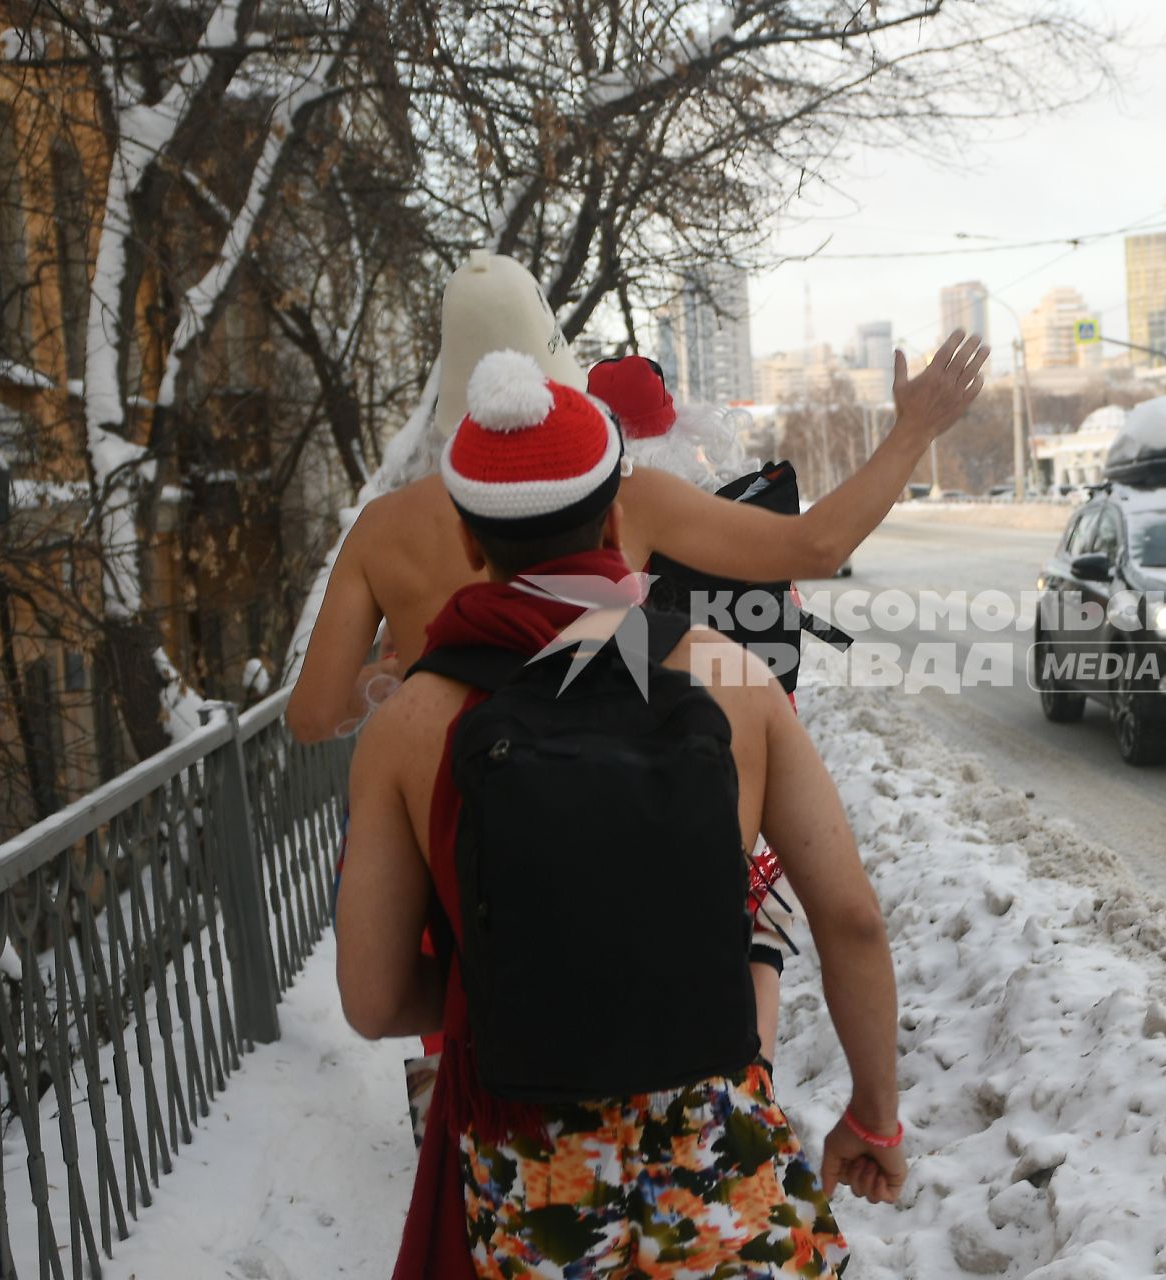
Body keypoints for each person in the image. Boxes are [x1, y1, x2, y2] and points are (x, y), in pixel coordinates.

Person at [335, 351, 904, 1278]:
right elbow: (852, 919)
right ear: (614, 517)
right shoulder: (726, 675)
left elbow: (369, 999)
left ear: (473, 543)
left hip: (535, 1177)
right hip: (714, 1148)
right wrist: (873, 1115)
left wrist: (528, 991)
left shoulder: (407, 725)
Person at [286, 250, 986, 742]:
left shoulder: (381, 528)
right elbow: (816, 545)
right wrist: (913, 430)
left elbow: (313, 717)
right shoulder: (623, 495)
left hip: (437, 843)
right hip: (593, 823)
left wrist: (398, 675)